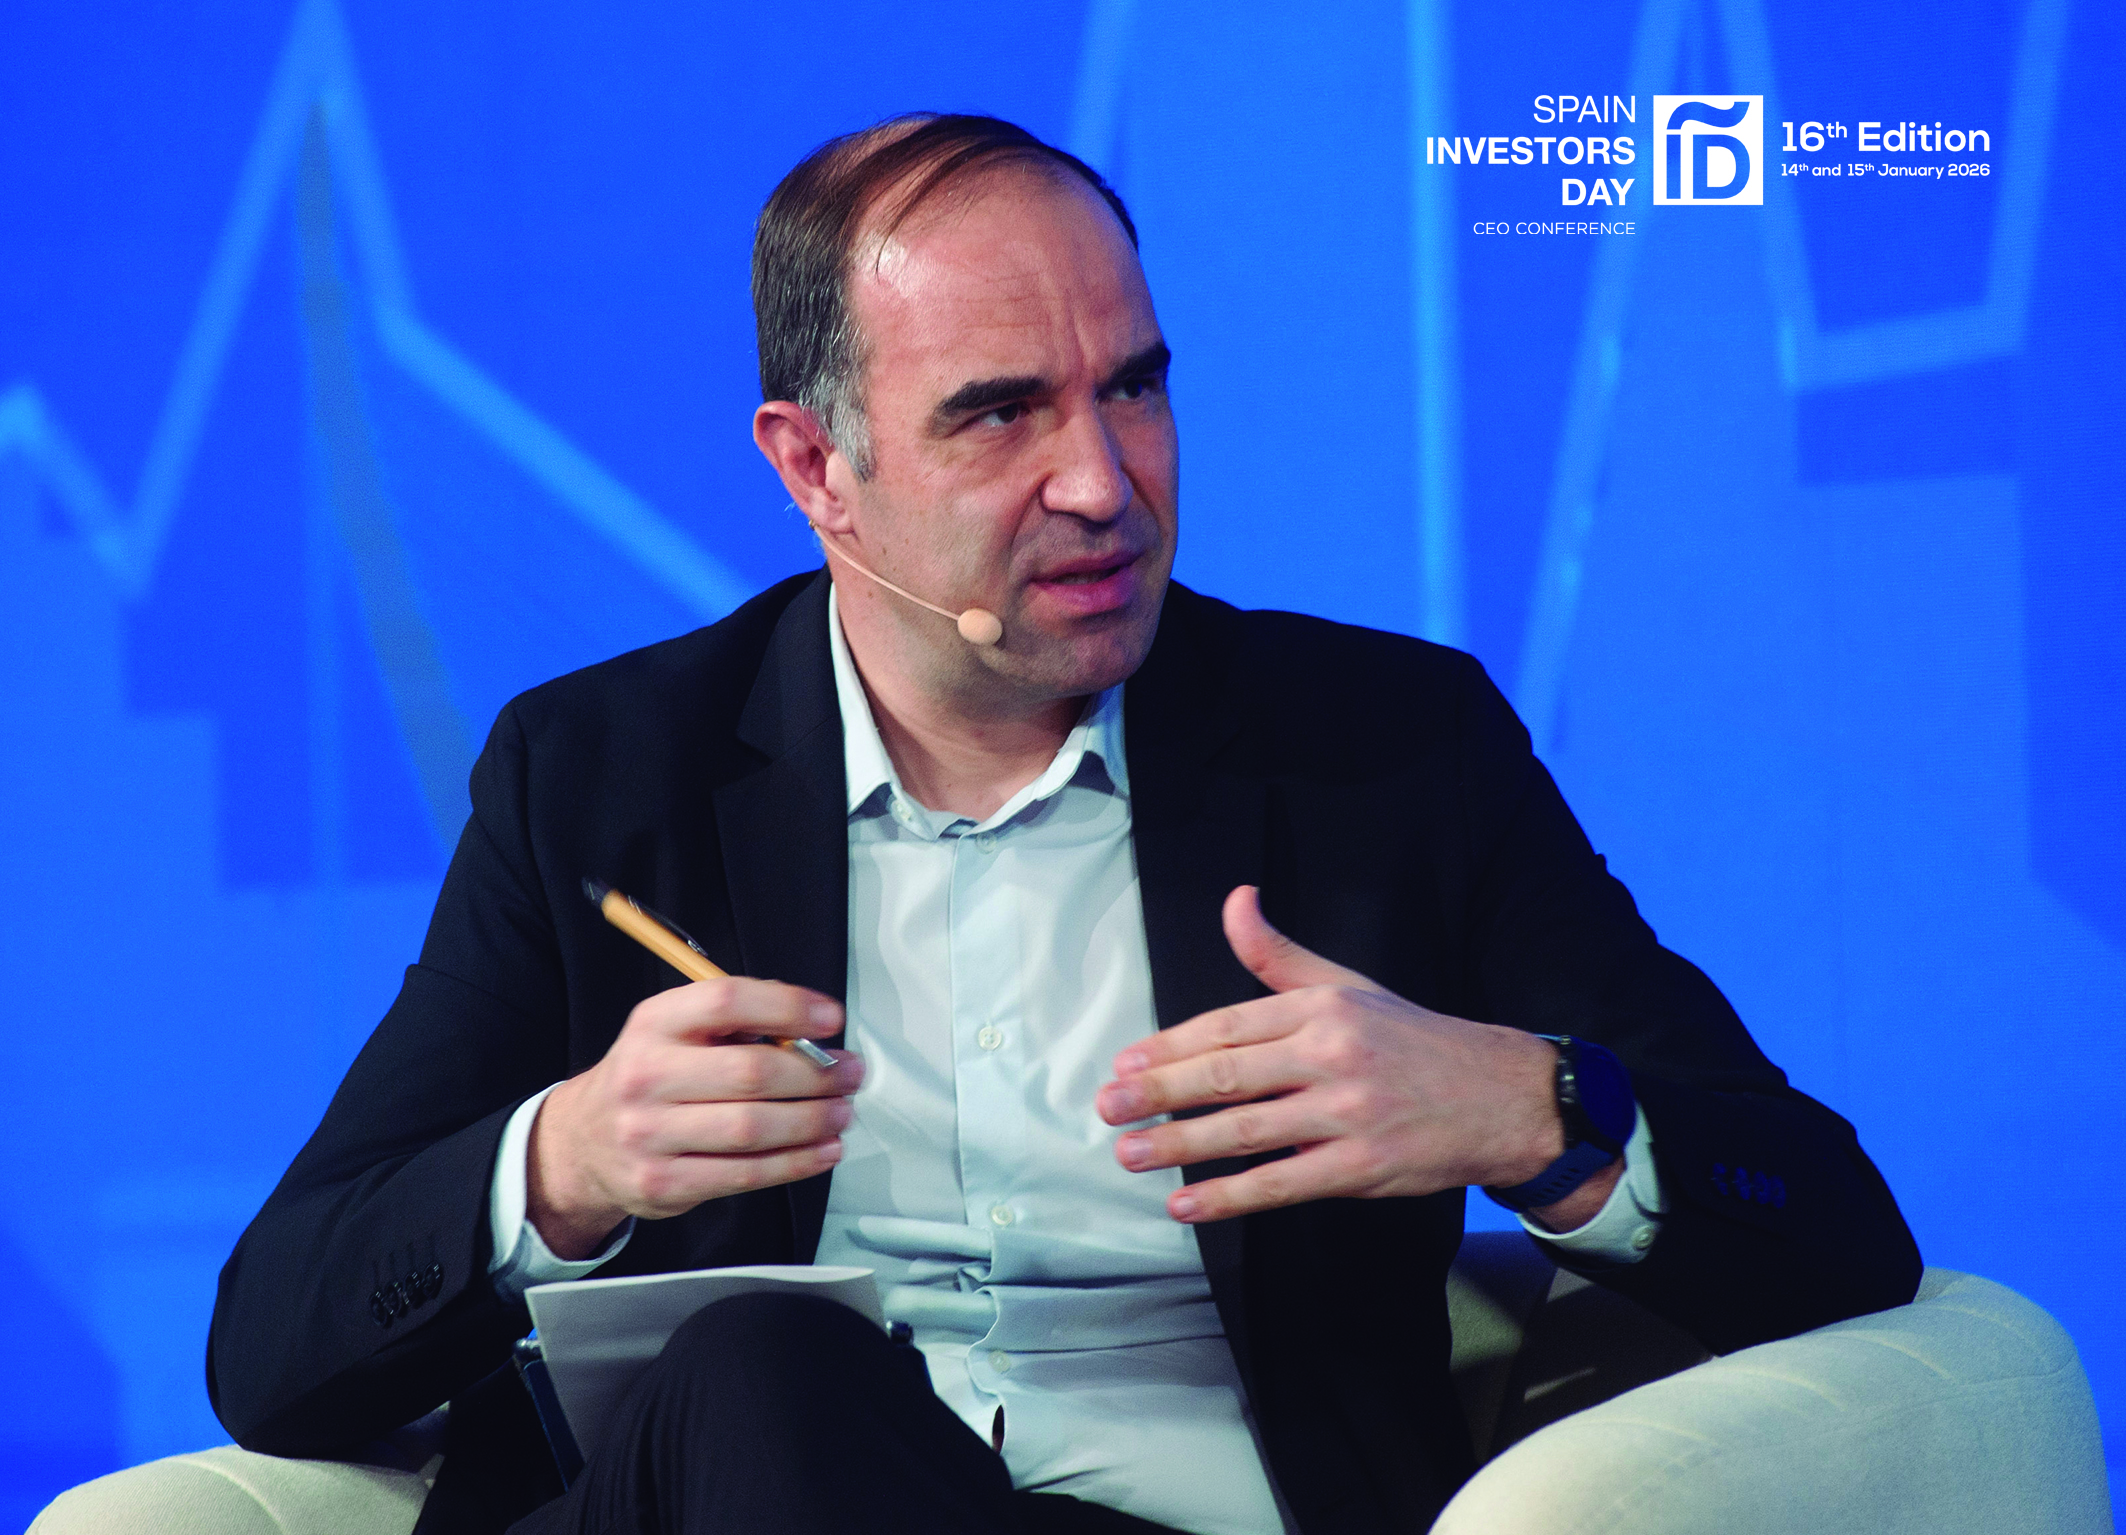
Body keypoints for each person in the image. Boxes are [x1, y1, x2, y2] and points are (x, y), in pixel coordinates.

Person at [208, 114, 1921, 1535]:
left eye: (1135, 389)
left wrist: (1523, 1105)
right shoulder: (602, 776)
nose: (1104, 482)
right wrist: (564, 1162)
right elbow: (274, 1345)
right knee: (761, 1377)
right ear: (814, 469)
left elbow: (1838, 1229)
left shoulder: (1386, 752)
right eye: (999, 412)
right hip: (737, 1486)